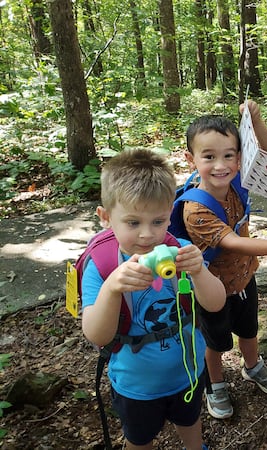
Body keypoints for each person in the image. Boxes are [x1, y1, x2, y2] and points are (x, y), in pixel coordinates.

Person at [81, 149, 226, 450]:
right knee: (139, 437)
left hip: (188, 370)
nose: (147, 235)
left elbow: (215, 303)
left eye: (158, 221)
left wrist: (199, 272)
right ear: (106, 218)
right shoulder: (103, 266)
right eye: (133, 223)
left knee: (190, 420)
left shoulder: (181, 249)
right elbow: (96, 334)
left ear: (169, 212)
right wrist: (111, 289)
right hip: (137, 385)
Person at [180, 101, 267, 419]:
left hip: (244, 279)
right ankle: (215, 384)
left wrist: (256, 120)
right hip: (212, 290)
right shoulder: (196, 209)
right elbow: (235, 243)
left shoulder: (237, 181)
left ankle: (252, 365)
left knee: (249, 329)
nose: (220, 164)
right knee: (215, 341)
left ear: (240, 158)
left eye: (229, 155)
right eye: (209, 156)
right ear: (191, 159)